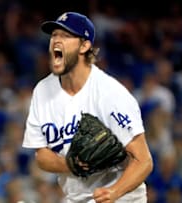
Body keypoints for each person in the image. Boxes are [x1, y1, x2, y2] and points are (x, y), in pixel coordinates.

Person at [22, 11, 153, 203]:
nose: (56, 41)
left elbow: (144, 161)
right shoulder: (42, 91)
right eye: (54, 35)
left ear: (85, 46)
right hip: (76, 198)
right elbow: (41, 156)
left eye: (65, 36)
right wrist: (72, 164)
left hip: (121, 197)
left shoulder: (110, 93)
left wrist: (115, 191)